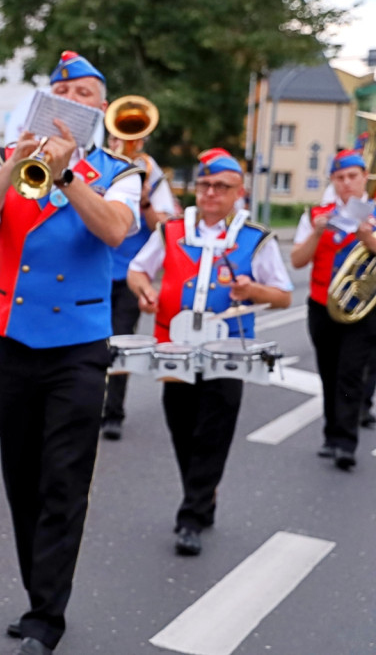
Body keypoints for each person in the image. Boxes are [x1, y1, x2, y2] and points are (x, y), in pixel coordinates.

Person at [0, 51, 142, 655]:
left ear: (101, 108)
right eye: (61, 91)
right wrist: (17, 164)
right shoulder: (12, 161)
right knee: (22, 479)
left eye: (84, 92)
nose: (72, 100)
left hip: (78, 351)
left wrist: (67, 176)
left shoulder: (120, 170)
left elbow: (114, 230)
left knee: (63, 481)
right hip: (13, 342)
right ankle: (39, 593)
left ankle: (46, 615)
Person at [127, 148, 292, 555]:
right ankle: (203, 495)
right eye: (204, 185)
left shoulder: (255, 239)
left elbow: (284, 296)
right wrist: (144, 290)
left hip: (228, 350)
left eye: (221, 187)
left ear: (239, 192)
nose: (211, 193)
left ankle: (191, 516)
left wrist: (253, 290)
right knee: (181, 427)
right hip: (175, 347)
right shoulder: (171, 231)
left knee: (213, 433)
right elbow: (137, 269)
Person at [290, 148, 376, 471]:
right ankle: (330, 435)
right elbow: (297, 260)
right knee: (328, 371)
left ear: (364, 178)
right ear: (332, 181)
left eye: (352, 176)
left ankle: (345, 442)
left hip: (363, 310)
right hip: (322, 305)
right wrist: (316, 232)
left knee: (351, 373)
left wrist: (369, 240)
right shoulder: (317, 214)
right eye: (339, 178)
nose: (346, 184)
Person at [101, 133, 176, 440]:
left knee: (120, 342)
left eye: (130, 135)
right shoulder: (102, 165)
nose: (122, 140)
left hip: (130, 272)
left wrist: (144, 199)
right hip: (97, 269)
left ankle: (113, 412)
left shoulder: (151, 172)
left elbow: (165, 227)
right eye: (116, 134)